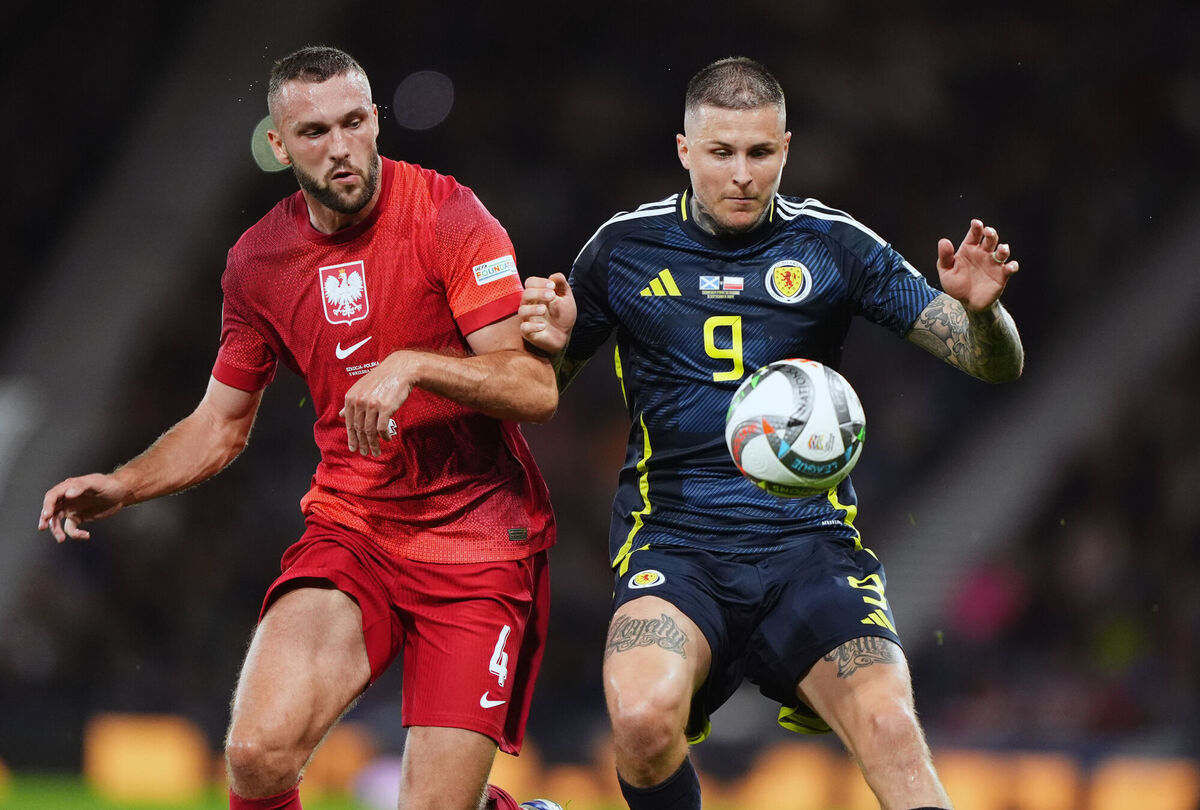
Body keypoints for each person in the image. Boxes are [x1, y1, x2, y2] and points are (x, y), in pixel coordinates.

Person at [39, 46, 563, 810]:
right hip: (356, 528)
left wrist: (414, 363)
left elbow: (533, 386)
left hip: (479, 545)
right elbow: (219, 425)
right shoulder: (259, 263)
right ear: (280, 145)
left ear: (378, 121)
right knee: (255, 754)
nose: (342, 147)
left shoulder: (450, 216)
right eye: (315, 132)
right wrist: (122, 485)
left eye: (355, 122)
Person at [520, 56, 1023, 810]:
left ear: (786, 148)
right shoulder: (621, 252)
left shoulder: (832, 243)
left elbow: (993, 366)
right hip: (677, 546)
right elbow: (534, 398)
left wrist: (985, 317)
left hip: (808, 547)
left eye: (760, 153)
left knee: (890, 726)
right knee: (642, 720)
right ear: (686, 152)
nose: (743, 174)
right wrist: (545, 351)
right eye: (721, 153)